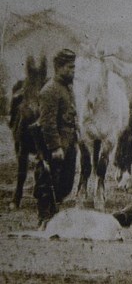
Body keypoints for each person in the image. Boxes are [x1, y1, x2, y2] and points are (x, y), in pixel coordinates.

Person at [33, 49, 78, 229]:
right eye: (70, 67)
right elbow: (47, 122)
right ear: (59, 68)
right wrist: (54, 147)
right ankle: (45, 218)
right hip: (56, 145)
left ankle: (53, 213)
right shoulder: (50, 90)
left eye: (74, 67)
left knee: (65, 184)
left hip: (69, 142)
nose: (73, 71)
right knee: (47, 180)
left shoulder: (66, 87)